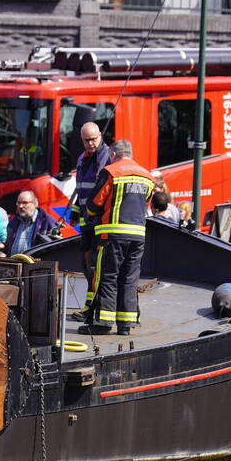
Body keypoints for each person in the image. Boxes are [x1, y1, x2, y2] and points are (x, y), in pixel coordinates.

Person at [81, 139, 153, 335]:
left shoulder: (111, 172)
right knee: (129, 278)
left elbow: (94, 204)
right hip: (138, 236)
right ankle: (125, 325)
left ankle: (103, 323)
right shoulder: (148, 176)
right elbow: (145, 203)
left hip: (112, 235)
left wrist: (90, 212)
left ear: (113, 154)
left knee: (108, 277)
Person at [70, 121, 112, 321]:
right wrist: (75, 211)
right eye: (86, 140)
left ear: (100, 136)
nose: (90, 144)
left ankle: (91, 310)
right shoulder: (82, 159)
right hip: (87, 222)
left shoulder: (108, 158)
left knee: (96, 267)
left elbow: (103, 191)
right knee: (86, 265)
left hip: (100, 222)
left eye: (93, 139)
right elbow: (82, 191)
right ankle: (89, 308)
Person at [5, 191, 55, 256]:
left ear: (35, 203)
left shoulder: (46, 222)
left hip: (35, 265)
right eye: (18, 203)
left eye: (25, 203)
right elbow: (9, 247)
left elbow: (54, 248)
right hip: (14, 263)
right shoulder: (13, 222)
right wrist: (2, 247)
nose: (20, 206)